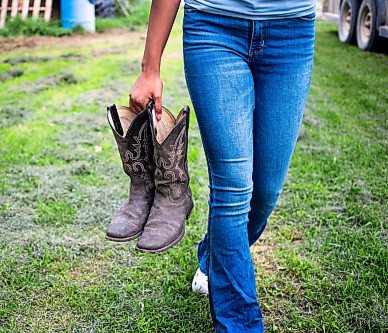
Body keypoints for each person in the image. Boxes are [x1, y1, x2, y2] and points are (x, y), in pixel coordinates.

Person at [128, 0, 316, 331]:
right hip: (214, 28)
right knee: (233, 189)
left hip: (292, 31)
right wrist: (150, 67)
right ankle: (239, 325)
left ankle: (212, 255)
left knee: (266, 191)